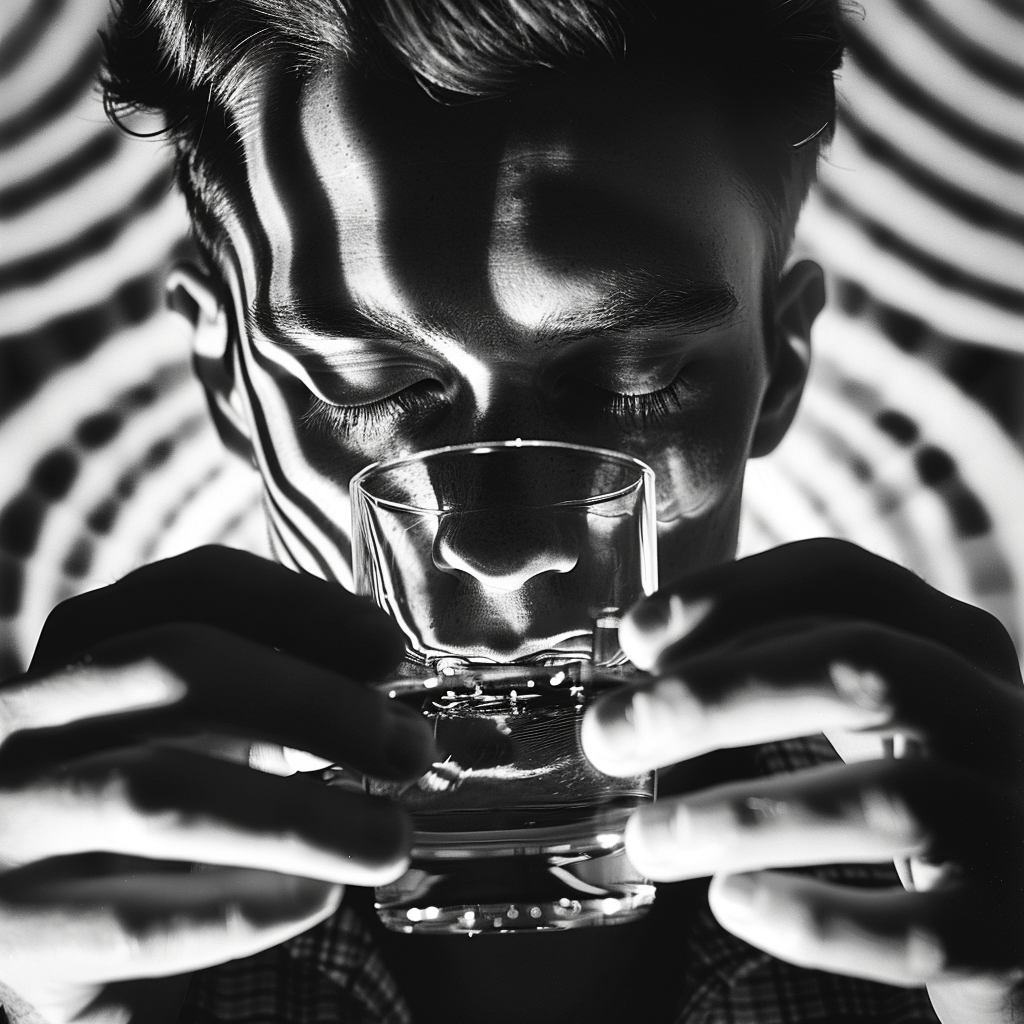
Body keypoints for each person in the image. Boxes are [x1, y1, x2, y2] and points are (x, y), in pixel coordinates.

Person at [0, 0, 1021, 1021]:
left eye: (636, 377)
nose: (498, 545)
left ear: (781, 366)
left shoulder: (968, 881)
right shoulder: (66, 947)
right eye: (367, 387)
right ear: (228, 380)